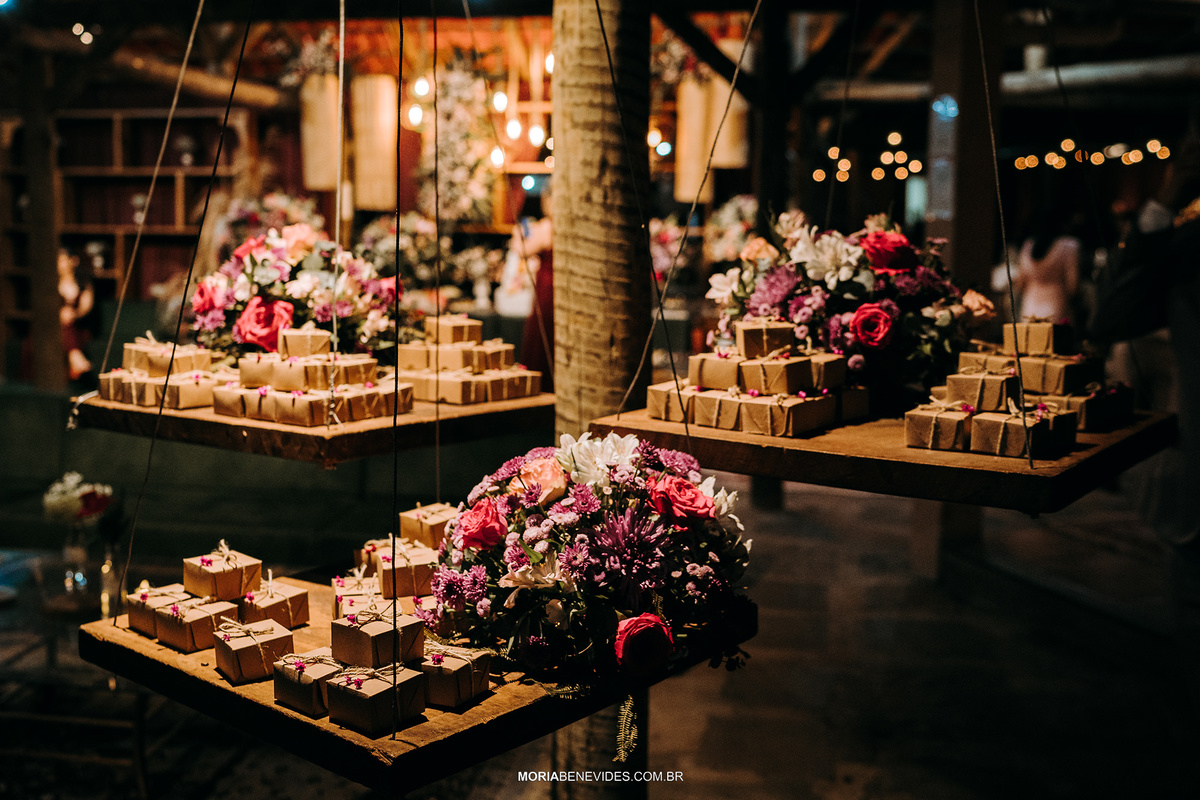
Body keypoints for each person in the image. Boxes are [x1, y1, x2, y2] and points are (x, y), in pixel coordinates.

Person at [514, 185, 554, 392]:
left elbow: (521, 249)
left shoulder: (547, 227)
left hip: (549, 285)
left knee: (543, 327)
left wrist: (520, 235)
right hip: (550, 281)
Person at [1015, 212, 1080, 323]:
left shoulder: (1028, 245)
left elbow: (1021, 282)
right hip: (1056, 306)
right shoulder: (1069, 246)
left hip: (1029, 307)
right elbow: (1073, 285)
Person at [57, 247, 94, 380]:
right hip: (54, 326)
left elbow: (86, 308)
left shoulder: (82, 283)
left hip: (77, 325)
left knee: (68, 325)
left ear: (73, 261)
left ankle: (75, 360)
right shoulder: (52, 283)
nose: (59, 263)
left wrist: (74, 314)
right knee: (63, 326)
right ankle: (76, 359)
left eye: (62, 260)